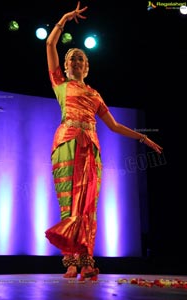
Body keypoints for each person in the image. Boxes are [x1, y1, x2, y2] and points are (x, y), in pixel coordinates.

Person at [45, 1, 163, 281]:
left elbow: (113, 125)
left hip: (90, 149)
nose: (75, 62)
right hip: (66, 145)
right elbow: (50, 45)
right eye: (71, 59)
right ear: (65, 65)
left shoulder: (95, 95)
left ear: (87, 67)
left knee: (87, 205)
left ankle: (86, 260)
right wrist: (63, 18)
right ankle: (71, 261)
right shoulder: (60, 84)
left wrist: (143, 137)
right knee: (69, 203)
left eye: (80, 59)